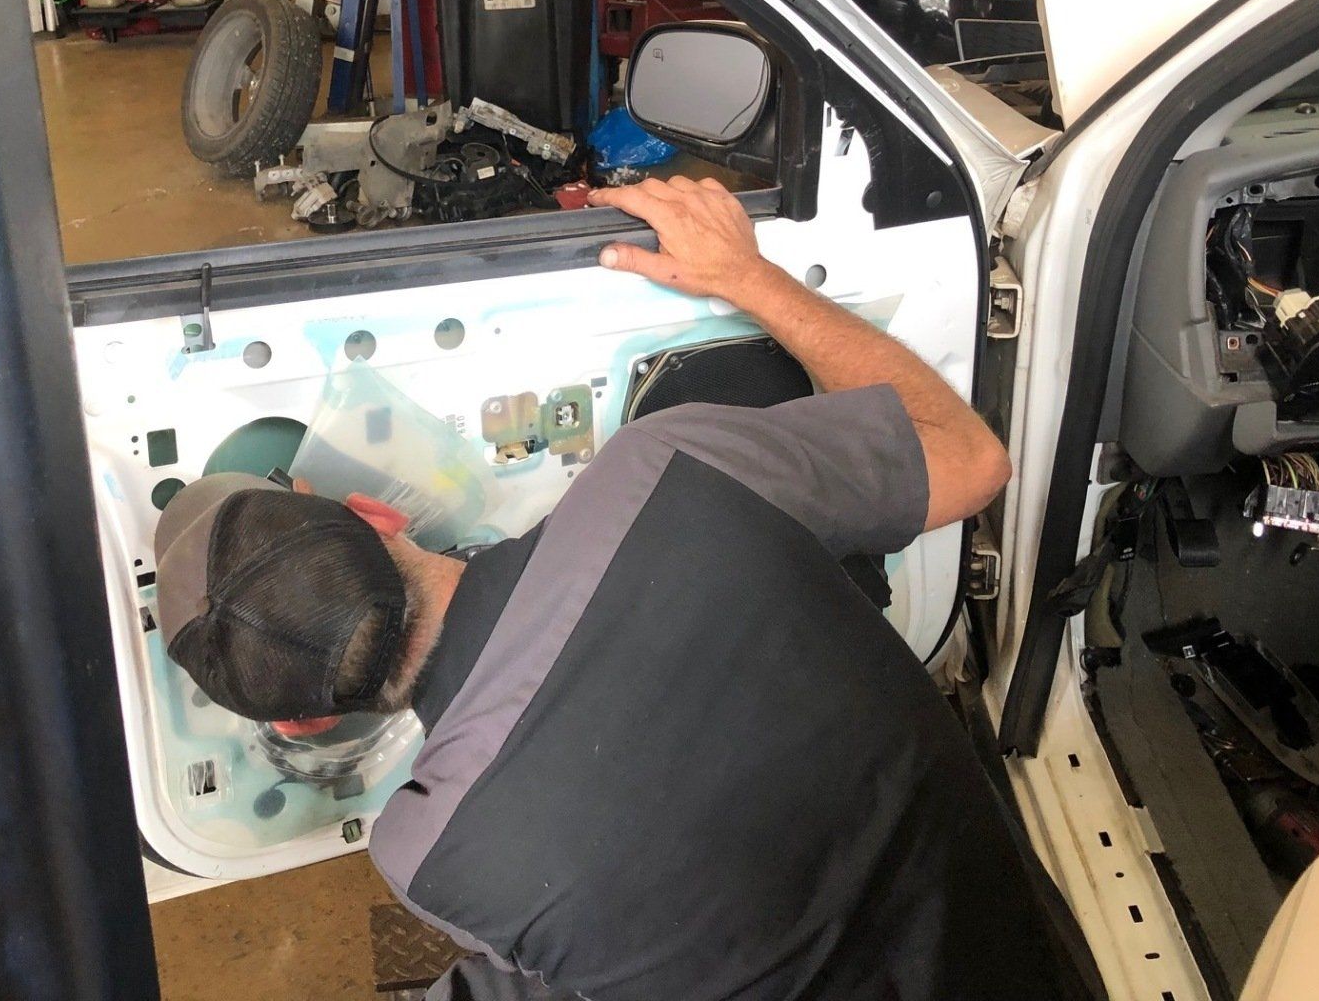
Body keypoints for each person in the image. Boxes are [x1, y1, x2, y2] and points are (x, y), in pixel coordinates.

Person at [155, 177, 1087, 1001]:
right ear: (378, 512)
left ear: (304, 724)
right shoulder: (667, 466)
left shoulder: (427, 858)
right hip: (1022, 953)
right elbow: (969, 459)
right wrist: (748, 277)